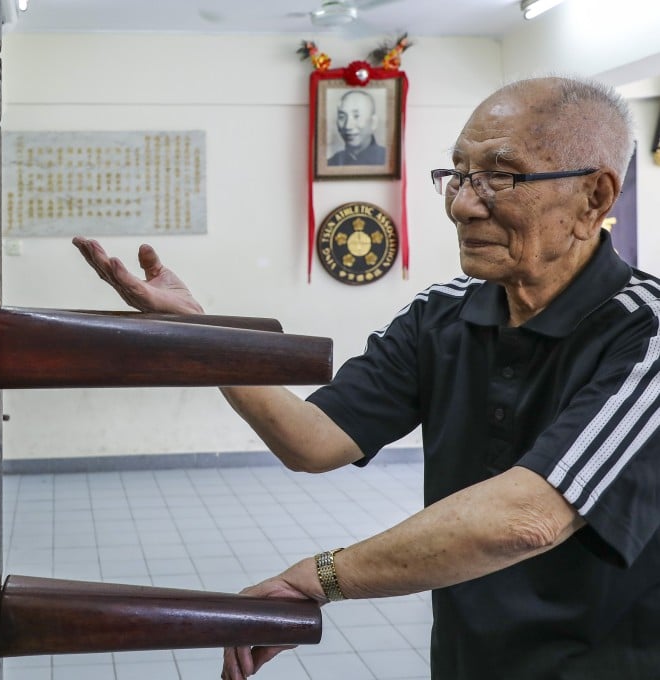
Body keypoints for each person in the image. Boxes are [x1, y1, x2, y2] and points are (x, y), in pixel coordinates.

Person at [73, 75, 660, 680]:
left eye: (500, 176)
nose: (462, 203)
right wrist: (202, 334)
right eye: (458, 174)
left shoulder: (647, 335)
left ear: (594, 198)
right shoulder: (445, 315)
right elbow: (313, 439)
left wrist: (323, 577)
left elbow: (529, 517)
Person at [327, 89, 386, 165]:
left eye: (356, 116)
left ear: (373, 122)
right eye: (342, 117)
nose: (348, 126)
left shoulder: (387, 160)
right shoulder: (332, 163)